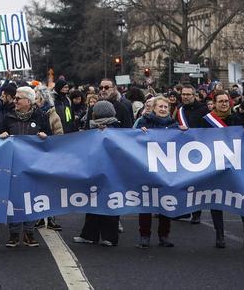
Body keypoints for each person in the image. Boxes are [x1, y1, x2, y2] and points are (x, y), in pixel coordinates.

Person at [191, 91, 244, 250]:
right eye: (221, 101)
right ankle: (220, 236)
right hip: (215, 166)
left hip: (235, 167)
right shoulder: (205, 122)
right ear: (214, 103)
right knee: (217, 200)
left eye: (226, 101)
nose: (224, 104)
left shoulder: (237, 119)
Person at [0, 86, 49, 248]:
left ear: (28, 101)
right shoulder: (8, 117)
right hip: (13, 164)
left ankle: (29, 233)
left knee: (31, 198)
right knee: (14, 199)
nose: (15, 101)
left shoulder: (40, 116)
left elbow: (52, 139)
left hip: (33, 166)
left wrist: (45, 137)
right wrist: (2, 136)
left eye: (18, 98)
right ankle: (13, 234)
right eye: (15, 98)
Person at [73, 100, 122, 247]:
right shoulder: (111, 129)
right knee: (100, 202)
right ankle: (94, 235)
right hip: (106, 171)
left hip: (105, 171)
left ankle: (105, 236)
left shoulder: (114, 130)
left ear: (95, 114)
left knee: (104, 202)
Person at [133, 95, 175, 248]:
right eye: (160, 107)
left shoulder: (173, 125)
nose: (163, 109)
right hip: (147, 169)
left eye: (166, 107)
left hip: (166, 170)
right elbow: (131, 141)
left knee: (166, 203)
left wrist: (184, 132)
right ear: (154, 108)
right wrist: (138, 132)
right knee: (146, 204)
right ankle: (144, 235)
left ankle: (164, 236)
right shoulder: (144, 122)